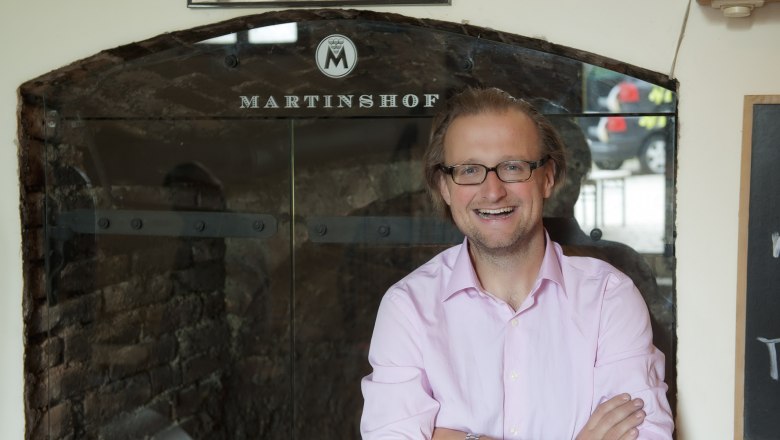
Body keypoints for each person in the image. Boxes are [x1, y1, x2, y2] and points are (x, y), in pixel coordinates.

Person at [360, 87, 673, 439]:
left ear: (548, 178)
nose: (493, 191)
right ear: (445, 188)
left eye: (512, 167)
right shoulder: (407, 307)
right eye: (468, 170)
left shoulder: (609, 298)